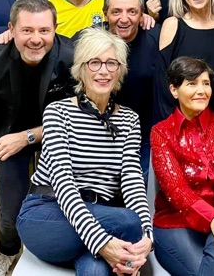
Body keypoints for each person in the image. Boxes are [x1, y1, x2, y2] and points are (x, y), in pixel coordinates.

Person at [16, 27, 153, 276]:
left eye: (111, 63)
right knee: (128, 222)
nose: (103, 71)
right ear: (81, 69)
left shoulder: (129, 120)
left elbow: (132, 181)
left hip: (99, 219)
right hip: (47, 215)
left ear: (120, 70)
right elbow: (63, 185)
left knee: (97, 270)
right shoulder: (58, 113)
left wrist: (147, 235)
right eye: (94, 63)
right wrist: (102, 242)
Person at [0, 0, 74, 276]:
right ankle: (7, 249)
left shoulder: (70, 56)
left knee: (60, 200)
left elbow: (77, 115)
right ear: (11, 29)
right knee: (10, 211)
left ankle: (52, 250)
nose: (36, 39)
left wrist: (28, 136)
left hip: (57, 132)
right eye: (27, 30)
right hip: (7, 132)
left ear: (55, 29)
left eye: (44, 30)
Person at [151, 56, 214, 276]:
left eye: (206, 83)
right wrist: (212, 218)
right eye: (192, 83)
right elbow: (176, 190)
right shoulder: (161, 132)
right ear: (174, 90)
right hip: (176, 223)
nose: (201, 90)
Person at [102, 0, 160, 179]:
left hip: (145, 135)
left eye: (132, 12)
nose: (124, 19)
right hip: (101, 135)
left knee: (139, 188)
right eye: (116, 11)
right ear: (105, 14)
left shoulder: (158, 37)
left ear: (142, 14)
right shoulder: (91, 39)